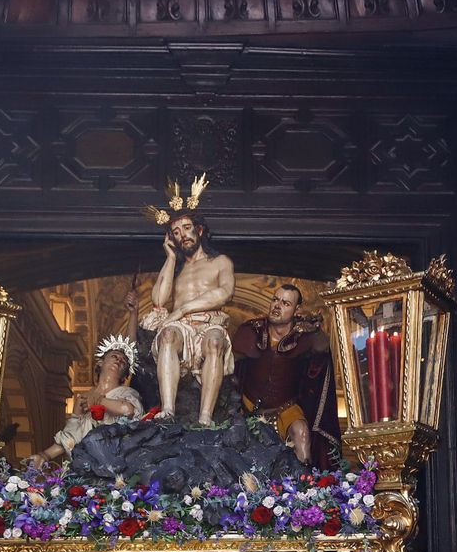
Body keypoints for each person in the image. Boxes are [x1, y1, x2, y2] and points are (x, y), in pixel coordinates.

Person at [140, 181, 235, 424]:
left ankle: (205, 417)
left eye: (186, 227)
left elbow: (225, 293)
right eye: (176, 231)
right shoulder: (177, 268)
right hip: (179, 327)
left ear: (199, 230)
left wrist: (182, 308)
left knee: (215, 341)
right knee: (168, 336)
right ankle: (168, 410)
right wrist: (170, 258)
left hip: (208, 323)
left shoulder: (220, 261)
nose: (182, 235)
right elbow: (159, 301)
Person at [231, 284, 338, 465]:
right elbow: (228, 367)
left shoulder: (304, 337)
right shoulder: (252, 330)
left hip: (285, 409)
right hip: (247, 408)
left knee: (301, 433)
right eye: (275, 300)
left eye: (286, 303)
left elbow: (323, 351)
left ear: (297, 309)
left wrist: (316, 330)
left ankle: (304, 489)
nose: (277, 306)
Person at [37, 334, 144, 463]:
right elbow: (71, 435)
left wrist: (99, 400)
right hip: (89, 463)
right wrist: (44, 456)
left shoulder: (127, 393)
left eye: (123, 361)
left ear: (125, 374)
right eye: (114, 356)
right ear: (100, 362)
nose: (119, 361)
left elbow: (128, 410)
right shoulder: (84, 399)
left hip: (117, 461)